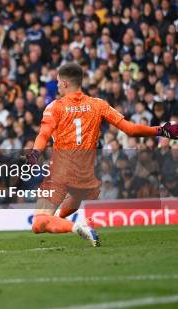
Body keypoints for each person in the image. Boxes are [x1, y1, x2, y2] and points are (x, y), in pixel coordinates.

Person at [27, 62, 178, 246]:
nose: (57, 85)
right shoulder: (98, 104)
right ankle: (67, 222)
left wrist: (35, 153)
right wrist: (161, 130)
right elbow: (130, 129)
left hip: (61, 171)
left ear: (65, 83)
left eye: (58, 82)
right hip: (85, 176)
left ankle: (77, 226)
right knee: (58, 214)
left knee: (38, 223)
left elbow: (43, 134)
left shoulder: (55, 107)